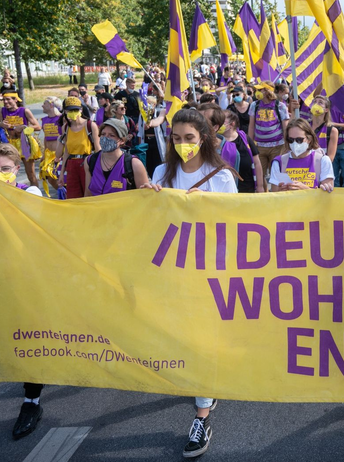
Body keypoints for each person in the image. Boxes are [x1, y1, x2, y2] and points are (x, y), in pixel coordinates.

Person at [141, 107, 236, 458]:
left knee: (202, 338)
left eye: (190, 138)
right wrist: (148, 200)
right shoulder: (162, 173)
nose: (183, 145)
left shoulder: (222, 176)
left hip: (210, 269)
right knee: (183, 336)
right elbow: (152, 223)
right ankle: (207, 388)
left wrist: (207, 208)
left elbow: (235, 227)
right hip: (173, 270)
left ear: (205, 139)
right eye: (177, 139)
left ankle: (201, 416)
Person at [0, 143, 44, 440]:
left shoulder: (31, 193)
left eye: (5, 169)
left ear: (15, 169)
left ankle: (31, 401)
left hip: (24, 277)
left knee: (27, 336)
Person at [84, 118, 149, 196]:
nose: (105, 138)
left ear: (122, 141)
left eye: (111, 135)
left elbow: (145, 196)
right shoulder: (90, 161)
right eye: (103, 134)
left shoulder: (134, 164)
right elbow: (88, 193)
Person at [268, 119, 335, 192]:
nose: (295, 143)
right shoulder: (278, 162)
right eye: (291, 140)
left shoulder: (323, 160)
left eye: (299, 140)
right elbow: (274, 194)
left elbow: (327, 195)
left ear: (309, 139)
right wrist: (281, 190)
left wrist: (305, 190)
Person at [58, 96, 100, 199]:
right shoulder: (66, 127)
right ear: (65, 111)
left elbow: (98, 149)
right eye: (69, 110)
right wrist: (62, 173)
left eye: (75, 110)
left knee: (88, 195)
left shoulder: (90, 125)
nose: (72, 112)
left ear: (81, 110)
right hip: (71, 164)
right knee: (73, 197)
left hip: (86, 162)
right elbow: (66, 152)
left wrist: (98, 171)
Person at [0, 90, 41, 186]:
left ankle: (36, 195)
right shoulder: (1, 110)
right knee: (8, 173)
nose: (5, 102)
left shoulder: (24, 111)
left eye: (8, 100)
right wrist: (1, 124)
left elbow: (37, 127)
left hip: (24, 143)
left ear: (15, 100)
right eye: (4, 100)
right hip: (9, 144)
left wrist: (24, 127)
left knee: (30, 174)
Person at [248, 82, 290, 178]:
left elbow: (285, 128)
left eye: (260, 90)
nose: (257, 92)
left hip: (278, 146)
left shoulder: (280, 106)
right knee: (260, 176)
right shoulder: (254, 105)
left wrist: (287, 145)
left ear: (268, 91)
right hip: (259, 147)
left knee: (277, 176)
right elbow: (251, 126)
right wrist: (249, 144)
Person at [218, 109, 264, 193]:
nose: (218, 124)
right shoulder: (217, 141)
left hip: (248, 188)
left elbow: (257, 163)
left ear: (232, 124)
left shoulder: (245, 138)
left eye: (222, 121)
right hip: (226, 190)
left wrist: (260, 186)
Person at [40, 97, 64, 193]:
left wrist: (61, 154)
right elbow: (46, 137)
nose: (42, 105)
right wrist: (44, 154)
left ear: (51, 105)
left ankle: (65, 195)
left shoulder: (61, 119)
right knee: (49, 177)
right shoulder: (44, 119)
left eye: (44, 103)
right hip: (49, 154)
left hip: (59, 154)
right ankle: (62, 194)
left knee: (60, 177)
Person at [310, 95, 339, 161]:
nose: (316, 104)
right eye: (314, 102)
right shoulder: (305, 126)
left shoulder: (332, 131)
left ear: (326, 109)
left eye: (320, 102)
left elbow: (330, 158)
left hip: (321, 167)